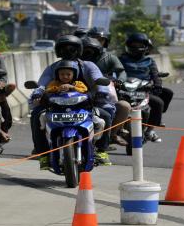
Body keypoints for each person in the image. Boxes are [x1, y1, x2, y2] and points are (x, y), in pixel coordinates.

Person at [31, 35, 116, 168]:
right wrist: (38, 92)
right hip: (56, 105)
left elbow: (98, 78)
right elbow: (42, 83)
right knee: (36, 115)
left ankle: (101, 150)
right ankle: (44, 155)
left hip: (86, 103)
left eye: (72, 48)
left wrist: (102, 91)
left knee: (106, 114)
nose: (68, 51)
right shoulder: (52, 67)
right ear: (58, 51)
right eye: (64, 48)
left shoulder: (89, 65)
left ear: (79, 50)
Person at [119, 33, 173, 143]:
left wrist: (157, 84)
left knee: (161, 101)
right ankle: (114, 132)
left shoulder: (149, 61)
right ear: (128, 46)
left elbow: (155, 75)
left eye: (139, 45)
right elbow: (114, 71)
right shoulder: (121, 59)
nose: (136, 47)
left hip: (143, 90)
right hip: (123, 90)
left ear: (145, 47)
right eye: (133, 45)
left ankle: (150, 130)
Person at [80, 36, 130, 148]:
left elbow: (121, 71)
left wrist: (119, 81)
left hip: (105, 95)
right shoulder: (76, 62)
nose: (88, 53)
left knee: (123, 107)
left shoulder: (109, 57)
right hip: (80, 95)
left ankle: (111, 135)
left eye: (91, 50)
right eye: (85, 50)